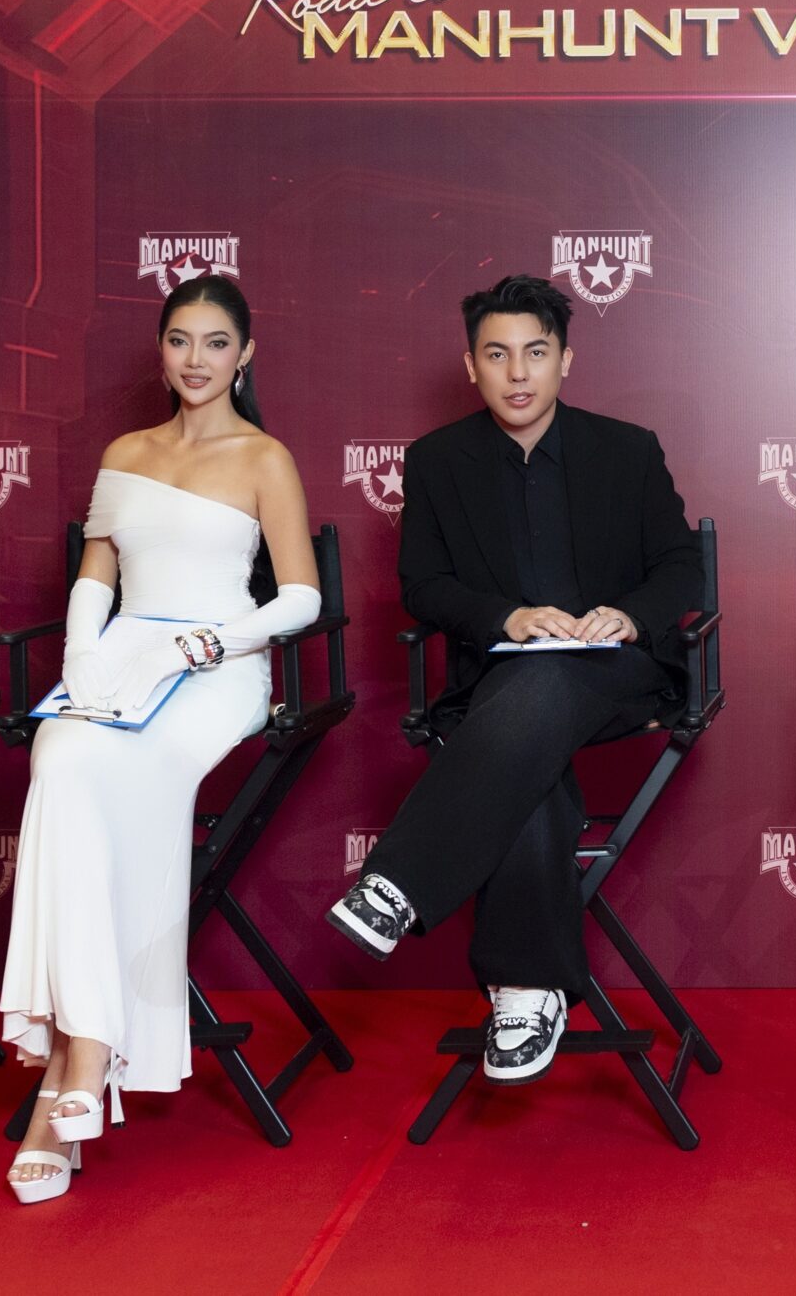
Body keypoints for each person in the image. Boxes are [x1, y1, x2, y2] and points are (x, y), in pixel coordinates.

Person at [328, 274, 700, 1086]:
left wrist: (627, 615)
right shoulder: (437, 460)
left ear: (566, 358)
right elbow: (424, 585)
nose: (518, 372)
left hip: (616, 670)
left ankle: (399, 881)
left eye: (536, 351)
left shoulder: (628, 449)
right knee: (529, 746)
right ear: (471, 366)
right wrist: (509, 617)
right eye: (497, 355)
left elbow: (682, 567)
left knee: (543, 697)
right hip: (503, 676)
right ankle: (528, 992)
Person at [0, 276, 320, 1203]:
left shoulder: (265, 457)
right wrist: (82, 656)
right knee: (60, 764)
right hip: (122, 655)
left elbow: (301, 596)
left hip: (219, 667)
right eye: (180, 340)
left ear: (244, 353)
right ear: (161, 349)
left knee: (138, 781)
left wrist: (205, 643)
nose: (196, 359)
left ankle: (74, 1065)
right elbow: (96, 572)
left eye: (216, 342)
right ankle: (84, 1051)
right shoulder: (126, 450)